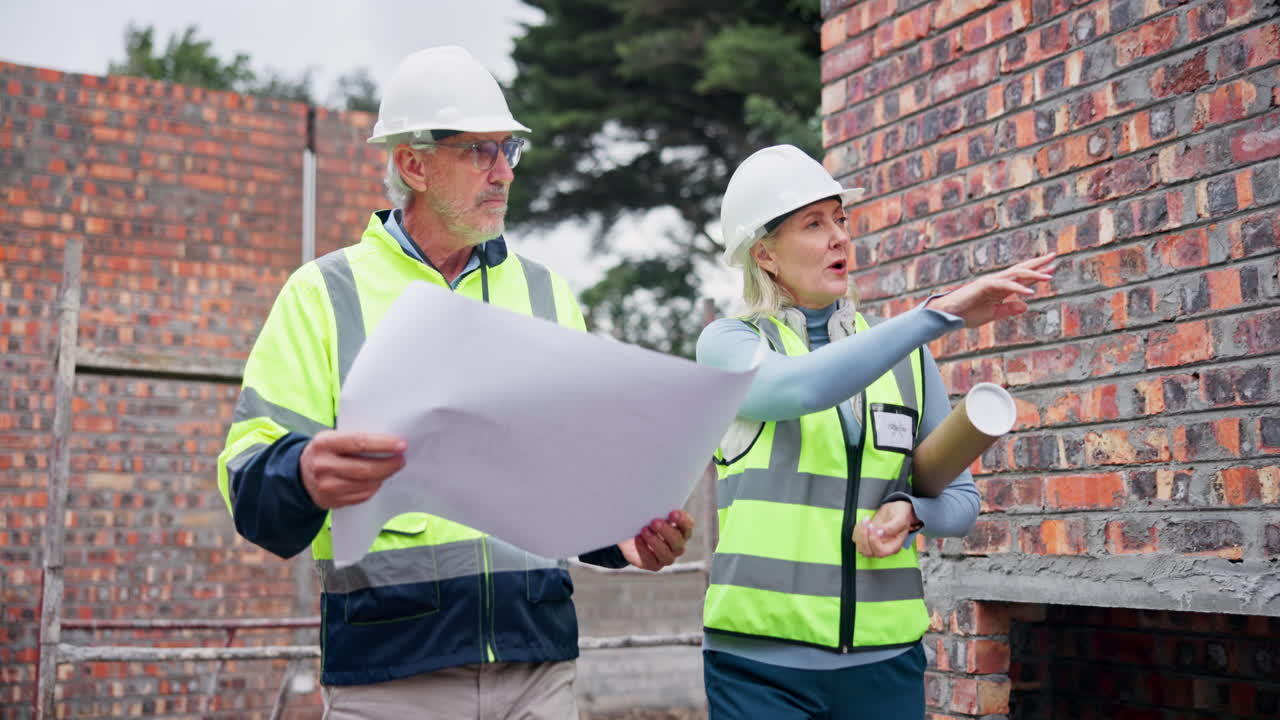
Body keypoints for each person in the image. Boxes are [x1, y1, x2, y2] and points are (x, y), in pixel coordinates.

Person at [215, 45, 694, 719]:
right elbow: (248, 479)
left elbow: (575, 475)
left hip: (538, 666)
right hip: (392, 679)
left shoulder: (545, 292)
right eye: (480, 152)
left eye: (510, 152)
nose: (504, 173)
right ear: (413, 163)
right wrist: (302, 474)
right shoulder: (324, 294)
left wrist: (623, 537)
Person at [696, 144, 1055, 719]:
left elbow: (962, 503)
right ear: (764, 253)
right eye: (814, 223)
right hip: (759, 671)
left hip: (884, 667)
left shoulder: (906, 357)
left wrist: (911, 513)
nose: (839, 236)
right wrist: (936, 315)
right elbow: (800, 390)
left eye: (841, 219)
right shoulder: (730, 345)